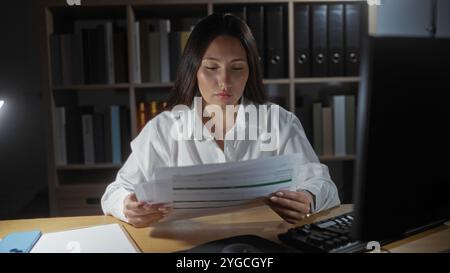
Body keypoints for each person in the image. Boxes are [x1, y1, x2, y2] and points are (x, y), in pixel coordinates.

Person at [101, 13, 340, 228]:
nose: (224, 81)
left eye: (237, 68)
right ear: (193, 69)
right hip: (188, 245)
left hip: (262, 242)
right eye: (211, 67)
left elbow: (325, 185)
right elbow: (114, 191)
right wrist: (127, 206)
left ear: (250, 72)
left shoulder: (279, 122)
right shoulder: (163, 129)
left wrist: (309, 197)